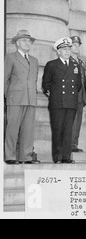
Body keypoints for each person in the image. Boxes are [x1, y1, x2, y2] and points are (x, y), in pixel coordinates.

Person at [42, 37, 82, 164]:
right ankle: (58, 157)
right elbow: (46, 84)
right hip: (57, 103)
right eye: (64, 49)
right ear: (58, 51)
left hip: (71, 102)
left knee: (68, 131)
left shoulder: (75, 65)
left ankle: (67, 157)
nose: (67, 51)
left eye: (69, 49)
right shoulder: (52, 65)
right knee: (58, 130)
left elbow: (78, 84)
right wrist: (54, 96)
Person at [4, 30, 40, 164]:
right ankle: (10, 156)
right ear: (17, 43)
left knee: (28, 130)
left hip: (30, 99)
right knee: (12, 128)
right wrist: (8, 96)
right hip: (15, 98)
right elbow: (4, 79)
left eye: (29, 41)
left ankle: (26, 156)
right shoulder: (11, 57)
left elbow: (34, 80)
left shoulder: (34, 60)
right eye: (24, 40)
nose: (28, 43)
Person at [70, 36, 86, 152]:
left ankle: (74, 144)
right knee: (72, 121)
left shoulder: (81, 62)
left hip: (81, 96)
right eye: (74, 45)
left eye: (78, 45)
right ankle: (70, 144)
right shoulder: (68, 61)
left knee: (78, 121)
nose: (77, 47)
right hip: (72, 96)